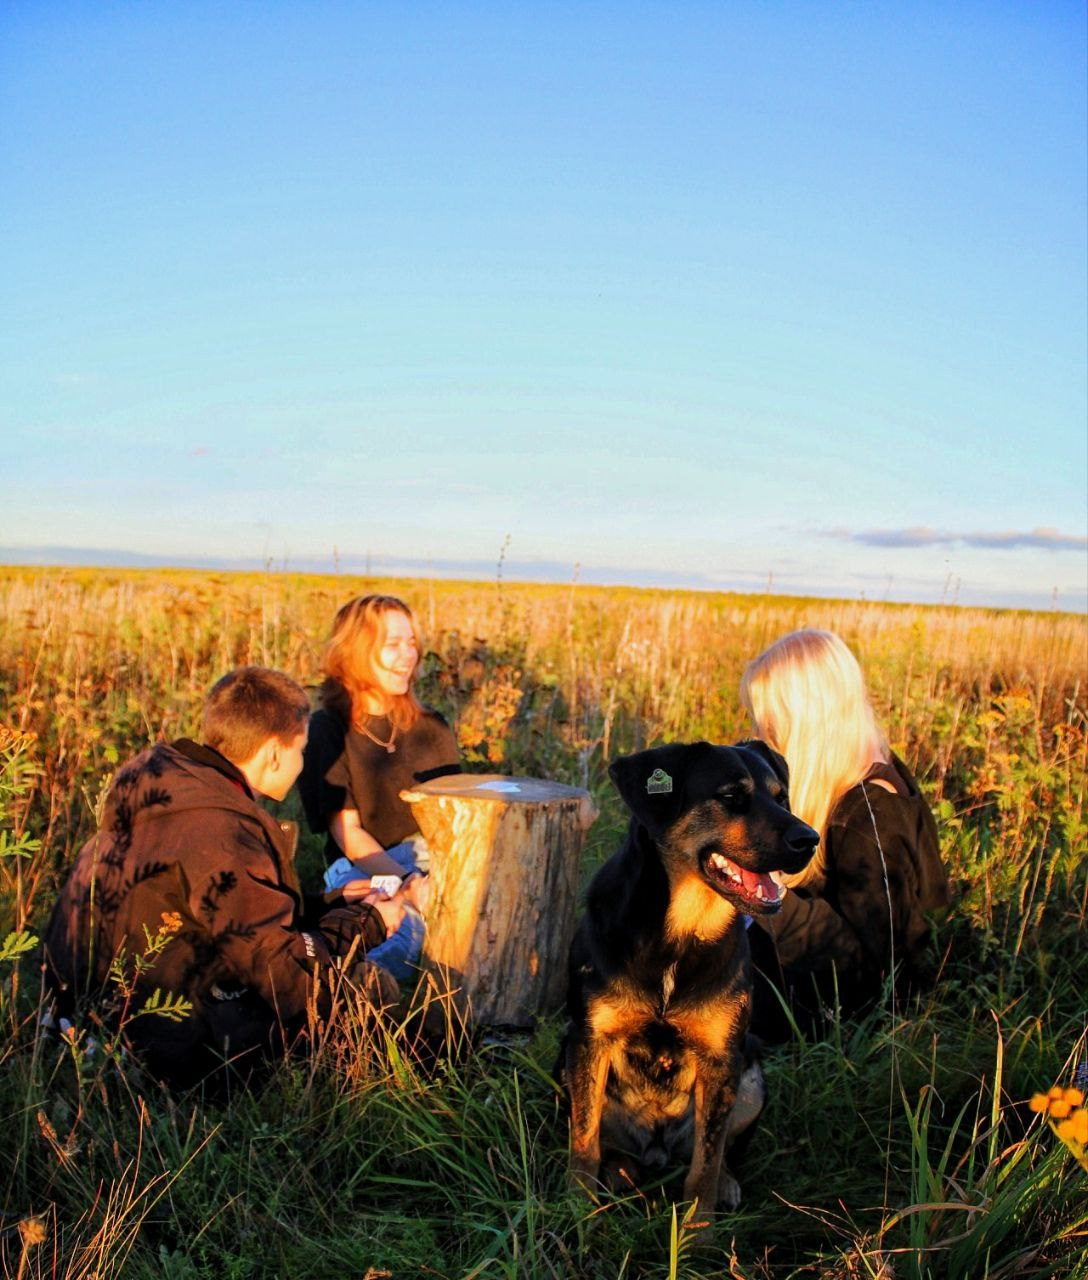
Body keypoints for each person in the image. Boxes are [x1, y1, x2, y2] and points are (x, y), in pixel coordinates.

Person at [43, 666, 403, 1089]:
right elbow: (288, 980)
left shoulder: (174, 788)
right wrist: (371, 923)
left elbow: (219, 914)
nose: (304, 763)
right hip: (162, 1047)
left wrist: (328, 903)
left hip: (80, 1017)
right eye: (300, 750)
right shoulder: (220, 830)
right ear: (273, 753)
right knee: (368, 989)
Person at [738, 629, 950, 1040]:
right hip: (832, 979)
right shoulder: (858, 770)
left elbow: (881, 960)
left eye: (769, 721)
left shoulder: (870, 815)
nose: (762, 733)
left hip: (857, 1009)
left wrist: (768, 900)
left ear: (809, 722)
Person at [297, 595, 461, 983]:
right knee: (401, 934)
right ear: (354, 652)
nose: (408, 655)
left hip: (431, 864)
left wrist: (445, 885)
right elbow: (349, 835)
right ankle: (336, 992)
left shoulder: (431, 727)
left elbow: (455, 823)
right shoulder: (328, 730)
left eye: (411, 643)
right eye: (392, 644)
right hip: (367, 869)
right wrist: (409, 886)